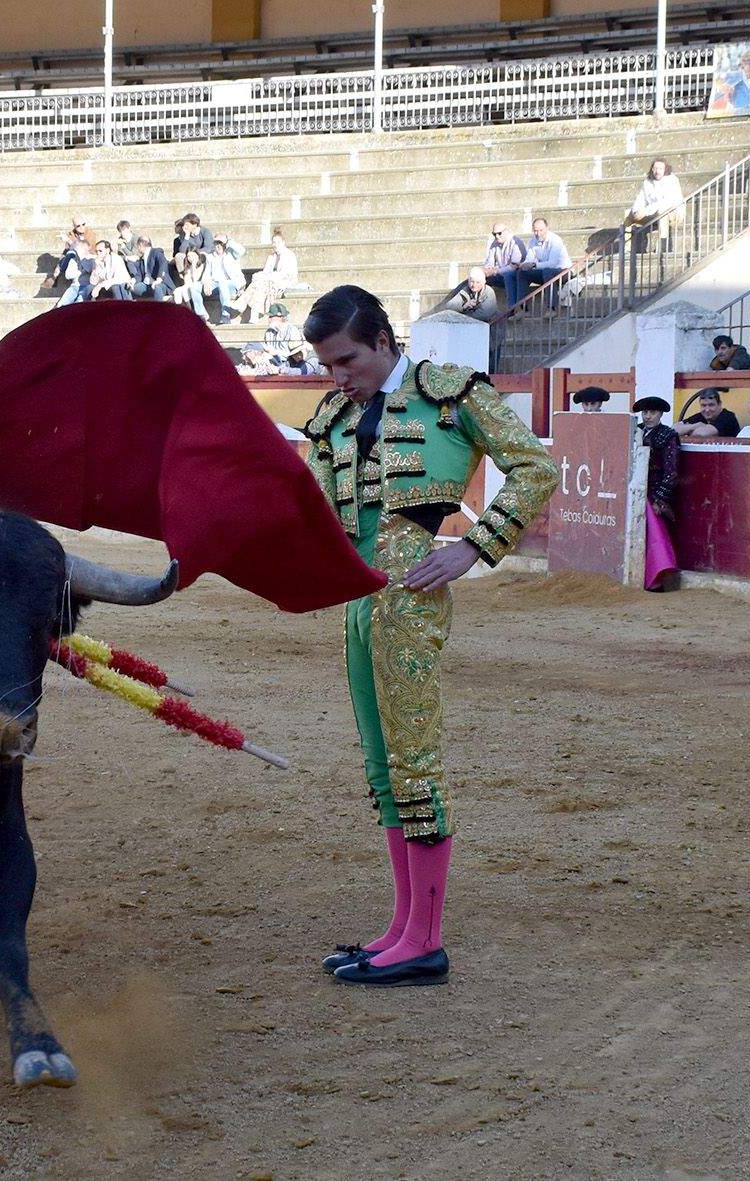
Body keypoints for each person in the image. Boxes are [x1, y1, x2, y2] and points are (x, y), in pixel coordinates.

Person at [302, 284, 557, 988]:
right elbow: (311, 510)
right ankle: (401, 926)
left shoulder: (450, 393)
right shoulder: (330, 416)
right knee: (383, 768)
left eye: (347, 359)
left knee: (415, 763)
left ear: (383, 339)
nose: (338, 376)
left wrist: (474, 546)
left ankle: (426, 938)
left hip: (413, 598)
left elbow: (537, 465)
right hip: (357, 601)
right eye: (327, 365)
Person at [633, 396, 682, 592]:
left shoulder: (667, 436)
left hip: (653, 494)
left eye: (652, 412)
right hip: (635, 491)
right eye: (645, 412)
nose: (647, 416)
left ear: (660, 414)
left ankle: (656, 581)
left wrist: (660, 499)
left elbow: (671, 471)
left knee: (654, 537)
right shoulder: (635, 432)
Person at [625, 158, 685, 252]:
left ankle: (662, 247)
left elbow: (666, 203)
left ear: (665, 169)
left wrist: (645, 211)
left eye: (660, 168)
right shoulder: (647, 182)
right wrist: (636, 211)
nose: (657, 171)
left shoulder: (672, 180)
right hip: (653, 214)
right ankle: (627, 247)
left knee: (662, 212)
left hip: (674, 214)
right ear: (652, 169)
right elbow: (640, 198)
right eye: (655, 168)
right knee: (628, 214)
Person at [240, 232, 299, 321]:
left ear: (283, 242)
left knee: (261, 281)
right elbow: (266, 271)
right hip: (270, 280)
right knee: (259, 280)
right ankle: (254, 313)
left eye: (278, 242)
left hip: (285, 281)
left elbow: (287, 274)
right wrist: (266, 276)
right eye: (274, 242)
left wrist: (269, 276)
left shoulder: (290, 255)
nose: (276, 245)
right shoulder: (271, 256)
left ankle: (244, 304)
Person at [519, 218, 571, 308]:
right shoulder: (532, 241)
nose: (538, 234)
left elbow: (552, 264)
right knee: (522, 273)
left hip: (564, 271)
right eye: (535, 231)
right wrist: (524, 265)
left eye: (541, 230)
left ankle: (552, 308)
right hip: (546, 272)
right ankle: (521, 307)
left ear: (547, 228)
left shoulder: (555, 240)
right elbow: (529, 259)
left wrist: (534, 265)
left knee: (548, 271)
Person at [481, 223, 529, 311]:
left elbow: (514, 266)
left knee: (509, 275)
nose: (497, 236)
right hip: (502, 274)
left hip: (518, 276)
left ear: (506, 232)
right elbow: (489, 263)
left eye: (499, 233)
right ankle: (477, 307)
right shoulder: (494, 244)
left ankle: (512, 309)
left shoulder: (515, 242)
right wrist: (484, 271)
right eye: (494, 234)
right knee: (478, 278)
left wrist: (495, 271)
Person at [204, 237, 245, 324]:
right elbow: (207, 273)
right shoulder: (210, 257)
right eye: (216, 244)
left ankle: (225, 314)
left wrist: (228, 241)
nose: (218, 246)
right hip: (215, 284)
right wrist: (206, 283)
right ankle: (201, 316)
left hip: (232, 284)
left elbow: (242, 251)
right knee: (194, 288)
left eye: (220, 244)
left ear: (225, 245)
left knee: (222, 283)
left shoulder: (232, 254)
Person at [127, 236, 174, 301]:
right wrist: (133, 281)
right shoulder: (142, 258)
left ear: (140, 245)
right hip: (146, 285)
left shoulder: (156, 252)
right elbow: (139, 274)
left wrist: (159, 279)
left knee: (157, 288)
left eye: (138, 247)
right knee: (129, 288)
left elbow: (163, 263)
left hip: (161, 283)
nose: (137, 249)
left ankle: (157, 309)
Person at [171, 213, 215, 281]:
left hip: (204, 255)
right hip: (189, 255)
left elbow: (208, 248)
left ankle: (197, 279)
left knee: (197, 256)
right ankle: (186, 278)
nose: (184, 227)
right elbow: (182, 251)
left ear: (194, 224)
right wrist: (187, 236)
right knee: (179, 256)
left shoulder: (205, 232)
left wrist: (195, 253)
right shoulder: (185, 234)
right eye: (184, 225)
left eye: (187, 225)